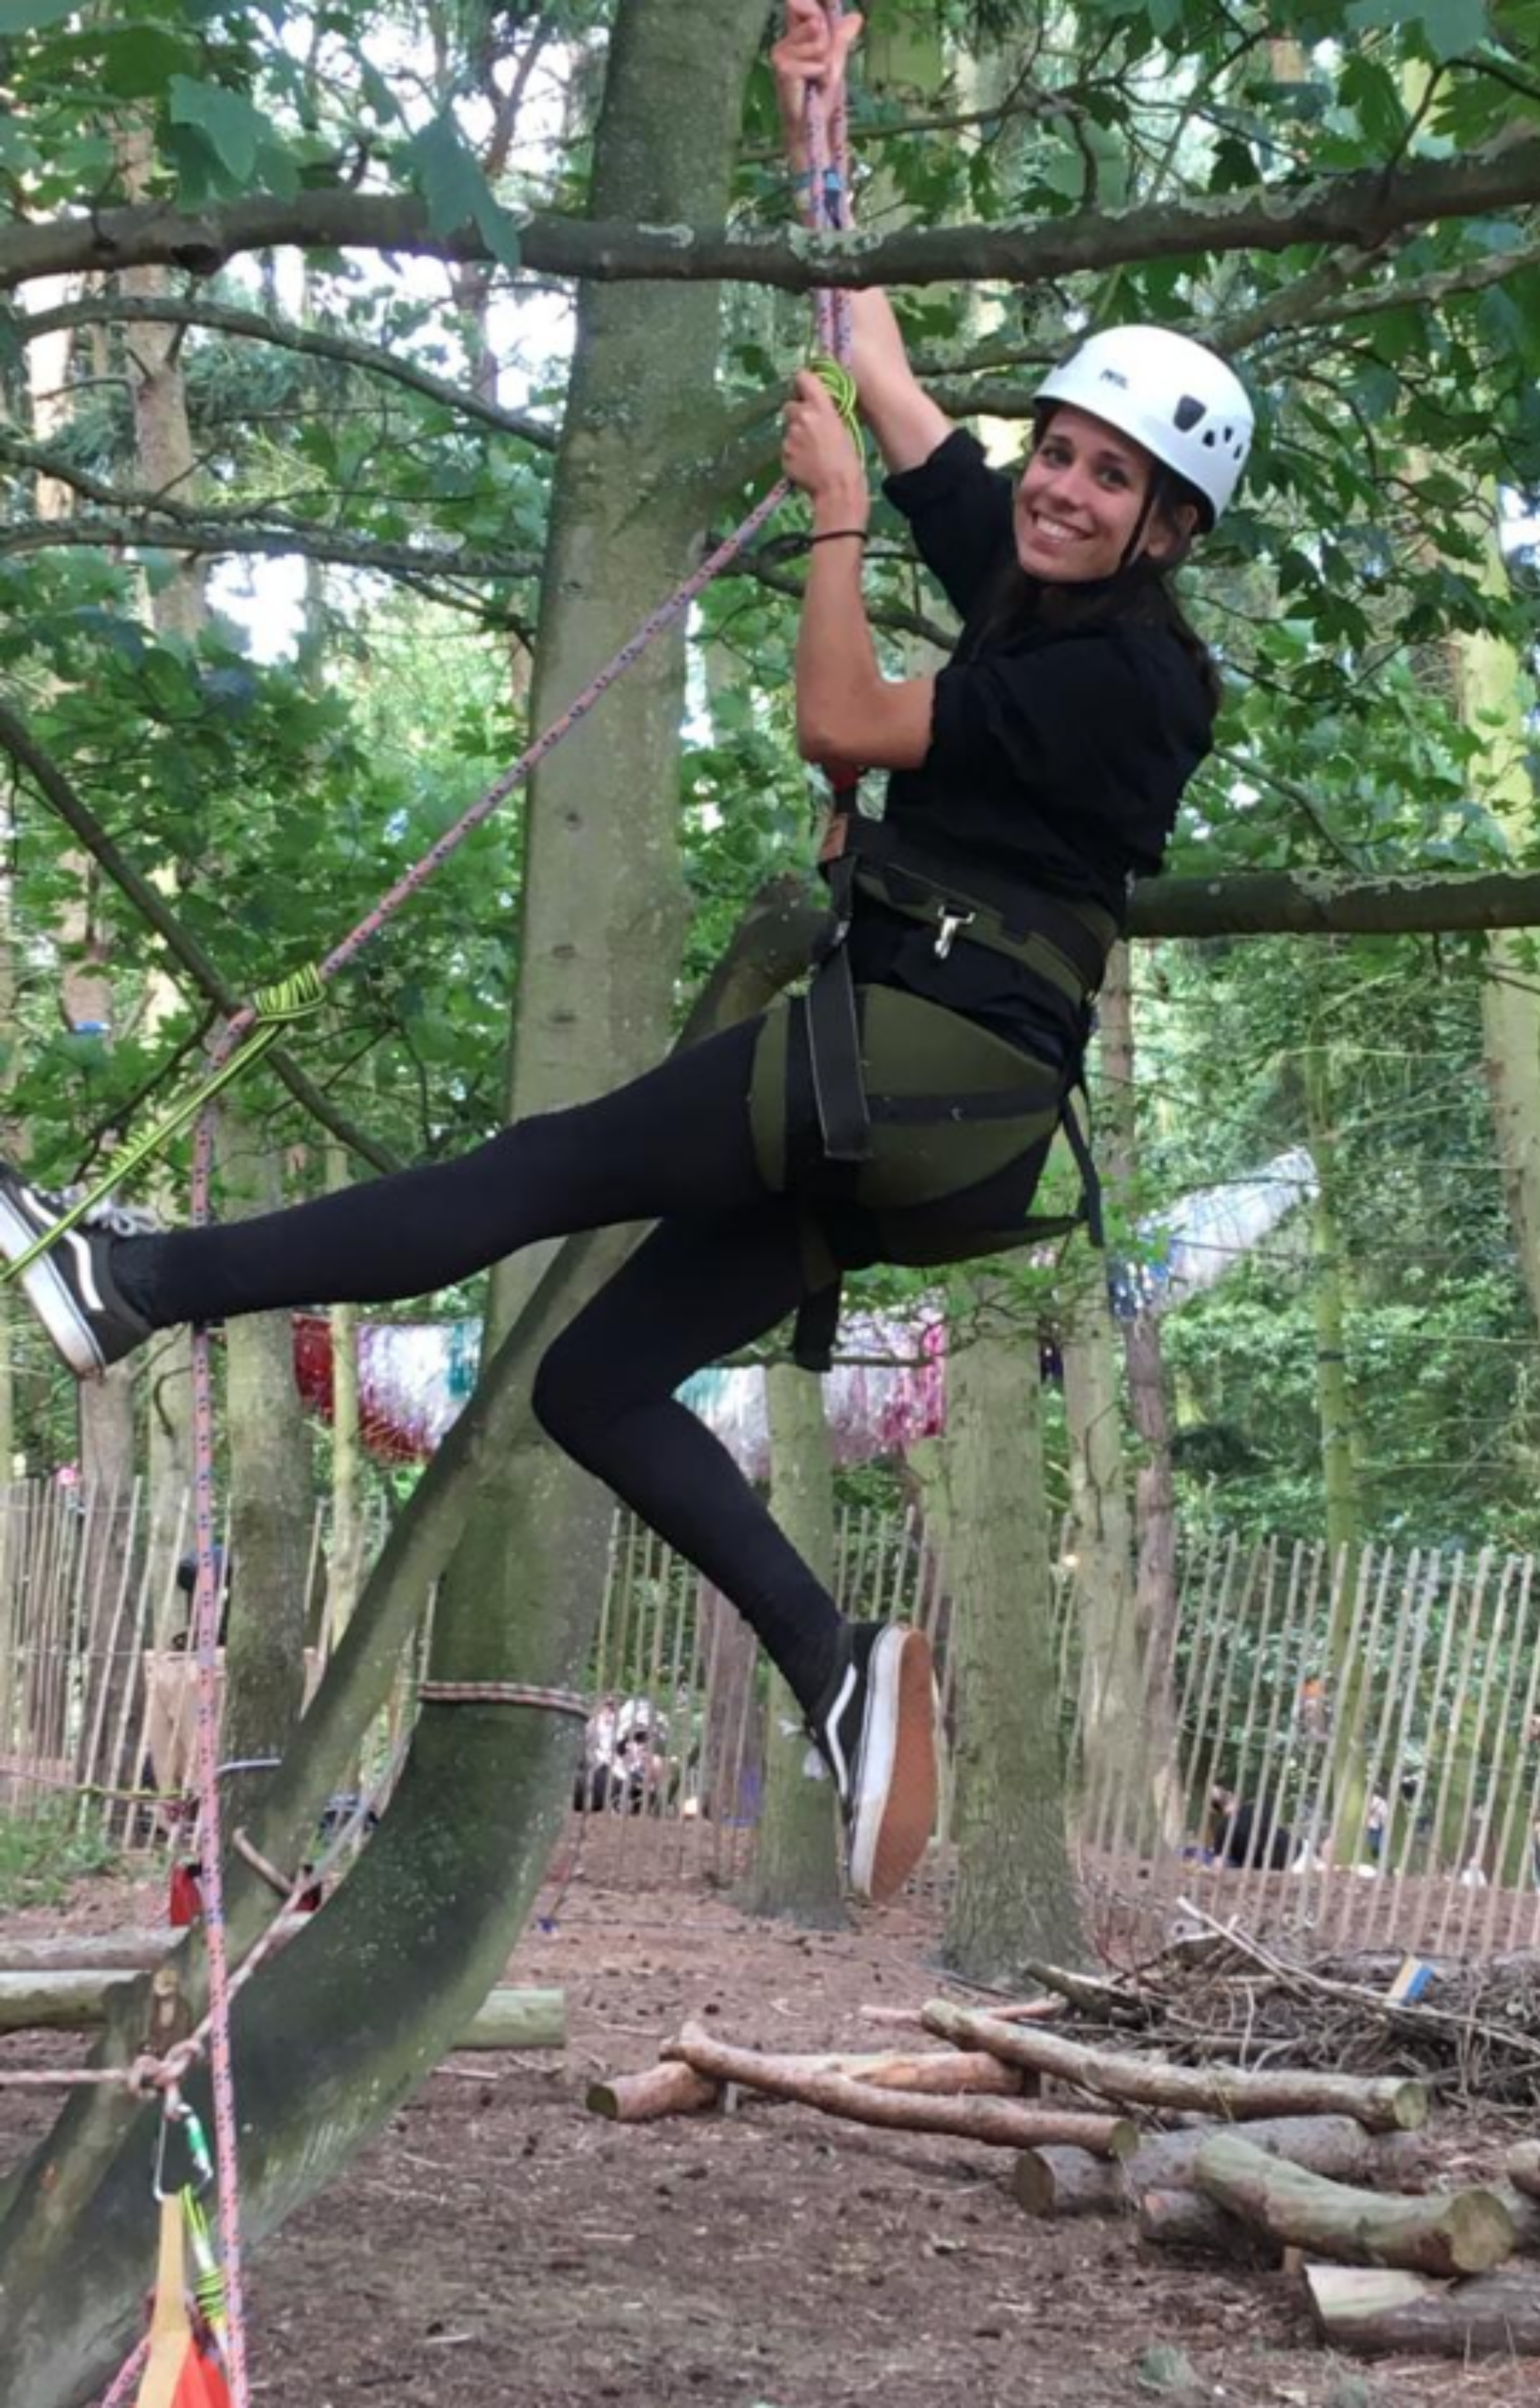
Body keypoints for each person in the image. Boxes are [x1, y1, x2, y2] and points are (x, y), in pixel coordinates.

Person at [0, 1, 1252, 1906]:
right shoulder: (1030, 570)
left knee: (539, 1174)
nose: (1066, 491)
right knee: (596, 1387)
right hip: (916, 1097)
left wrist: (837, 525)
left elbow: (844, 723)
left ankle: (140, 1282)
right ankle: (843, 1680)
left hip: (917, 1059)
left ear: (1171, 527)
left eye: (1108, 481)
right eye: (1058, 456)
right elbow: (877, 354)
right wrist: (818, 114)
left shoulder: (1132, 680)